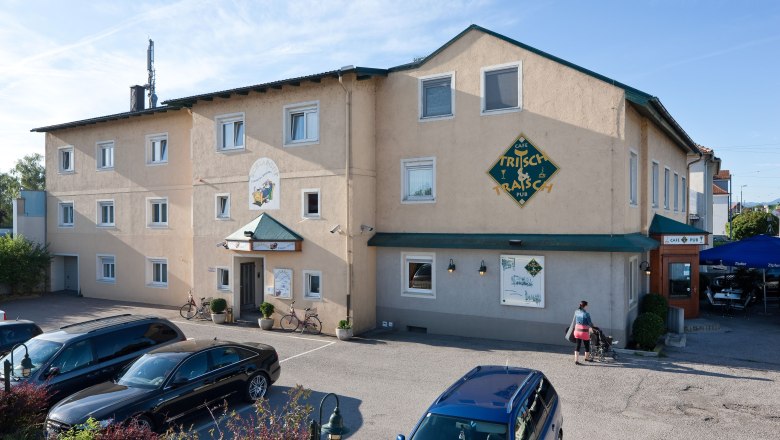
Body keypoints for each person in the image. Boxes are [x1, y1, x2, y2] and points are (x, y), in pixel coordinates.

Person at [573, 300, 595, 365]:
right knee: (586, 345)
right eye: (587, 305)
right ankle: (586, 358)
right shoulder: (586, 314)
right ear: (585, 306)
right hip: (584, 331)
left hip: (577, 330)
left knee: (578, 345)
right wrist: (594, 326)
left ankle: (576, 360)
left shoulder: (576, 312)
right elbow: (590, 323)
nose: (587, 307)